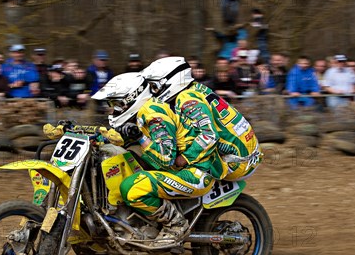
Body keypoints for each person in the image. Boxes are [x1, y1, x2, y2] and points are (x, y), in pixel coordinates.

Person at [93, 58, 261, 241]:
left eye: (155, 86)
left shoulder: (186, 99)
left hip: (235, 160)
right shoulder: (192, 92)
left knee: (145, 177)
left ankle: (175, 225)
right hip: (239, 151)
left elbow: (209, 135)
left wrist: (184, 158)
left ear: (171, 80)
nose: (153, 91)